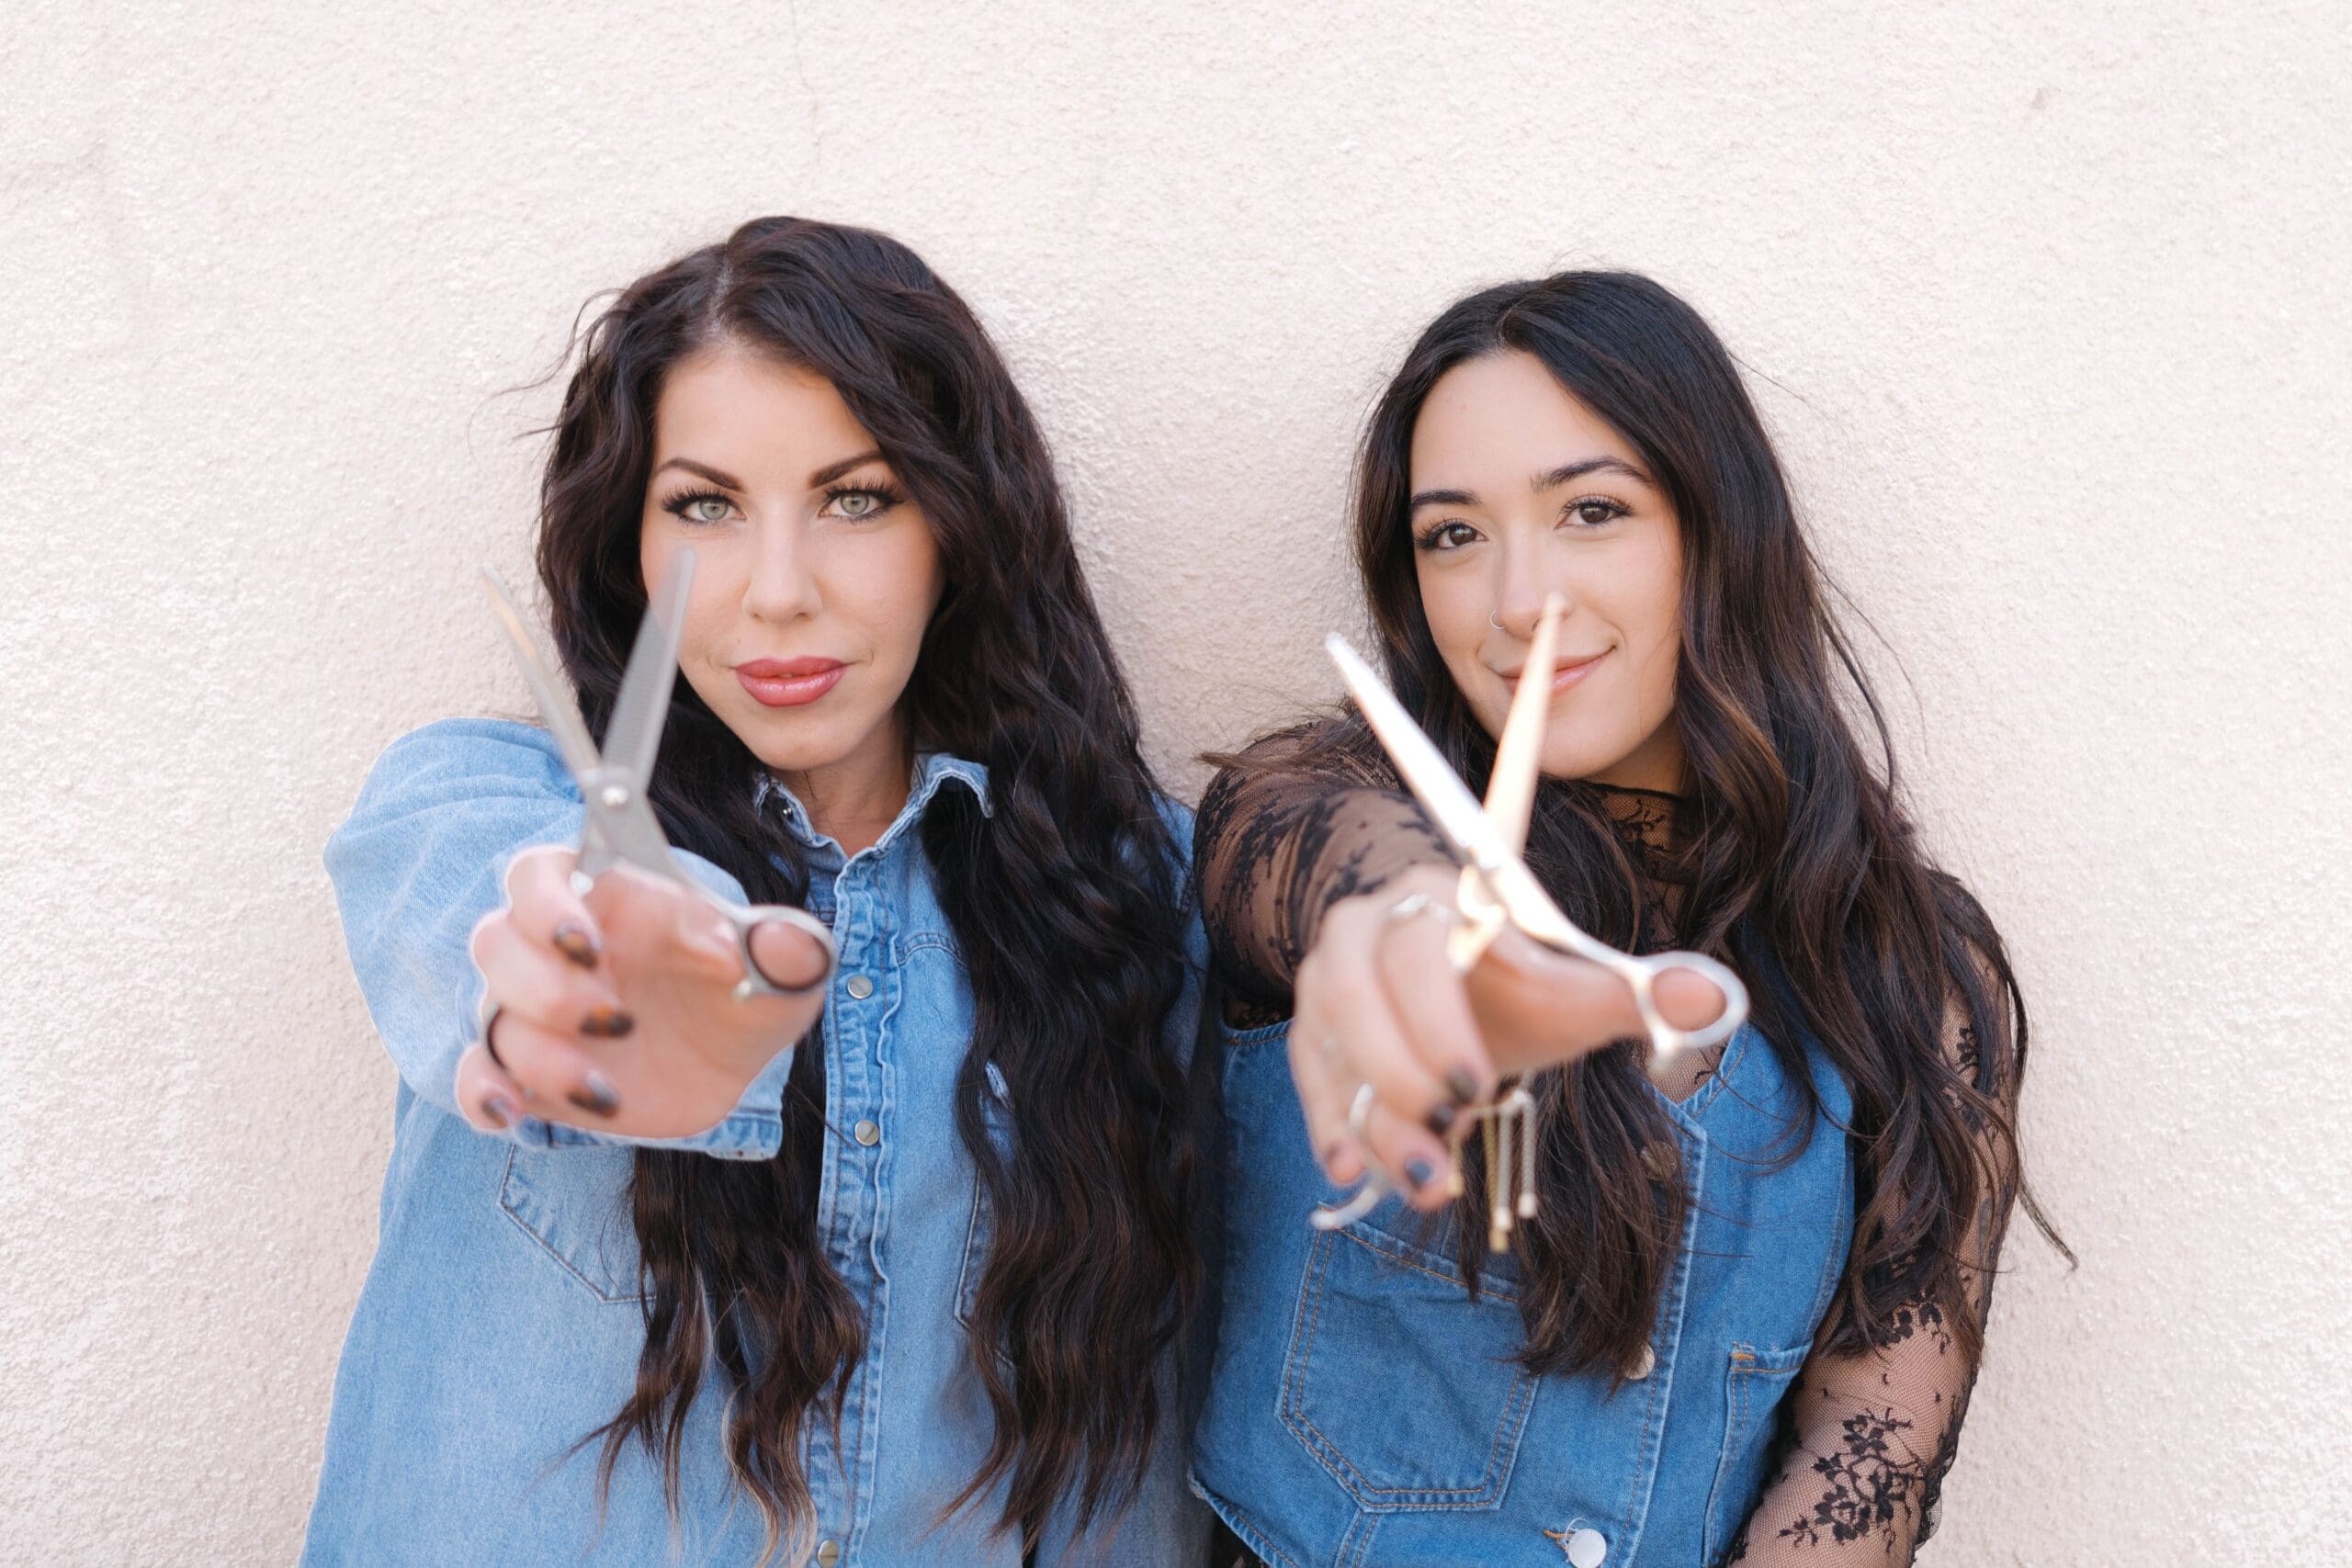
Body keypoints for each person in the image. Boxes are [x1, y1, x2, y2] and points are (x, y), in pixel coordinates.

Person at [308, 217, 1213, 1567]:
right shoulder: (478, 800)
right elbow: (477, 917)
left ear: (959, 529)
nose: (778, 594)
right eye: (705, 505)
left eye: (857, 498)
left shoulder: (1131, 887)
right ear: (629, 546)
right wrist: (590, 983)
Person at [1191, 271, 2060, 1565]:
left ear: (1713, 533)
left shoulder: (1912, 973)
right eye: (1453, 535)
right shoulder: (1310, 804)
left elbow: (1873, 1433)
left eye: (1590, 511)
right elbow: (1347, 882)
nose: (1518, 601)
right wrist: (1440, 940)